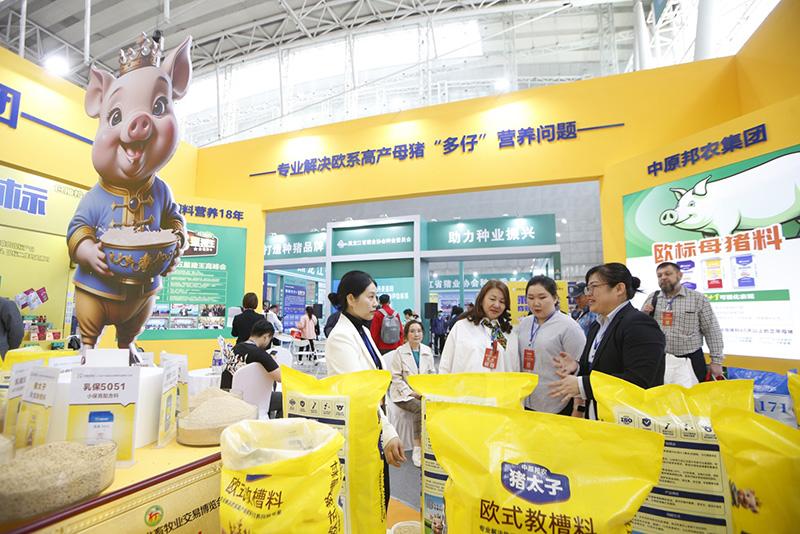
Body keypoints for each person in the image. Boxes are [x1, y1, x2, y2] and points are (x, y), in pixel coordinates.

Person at [325, 270, 406, 511]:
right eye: (370, 297)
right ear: (351, 299)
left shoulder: (363, 331)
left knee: (379, 497)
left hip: (374, 425)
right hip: (359, 430)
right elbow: (360, 393)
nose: (375, 303)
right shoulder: (341, 337)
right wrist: (388, 432)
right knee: (366, 502)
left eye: (376, 297)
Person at [549, 263, 666, 420]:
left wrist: (583, 385)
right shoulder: (597, 325)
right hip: (600, 416)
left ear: (619, 289)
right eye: (588, 288)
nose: (589, 294)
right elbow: (600, 368)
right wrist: (578, 367)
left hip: (630, 420)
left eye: (594, 287)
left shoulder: (639, 324)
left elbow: (639, 380)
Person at [507, 276, 586, 414]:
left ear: (555, 298)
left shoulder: (569, 327)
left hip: (558, 403)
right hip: (526, 401)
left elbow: (582, 369)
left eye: (542, 297)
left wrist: (579, 408)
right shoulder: (524, 324)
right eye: (530, 298)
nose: (536, 303)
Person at [642, 262, 725, 384]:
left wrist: (716, 361)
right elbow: (643, 328)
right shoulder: (653, 298)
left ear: (679, 275)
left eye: (668, 274)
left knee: (692, 394)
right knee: (662, 393)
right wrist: (644, 314)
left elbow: (711, 330)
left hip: (690, 359)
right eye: (659, 275)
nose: (663, 277)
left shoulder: (697, 298)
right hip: (661, 359)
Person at [439, 280, 515, 374]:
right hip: (465, 383)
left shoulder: (507, 333)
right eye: (492, 299)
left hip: (498, 383)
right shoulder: (462, 327)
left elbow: (513, 368)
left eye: (502, 301)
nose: (497, 305)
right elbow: (445, 365)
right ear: (481, 299)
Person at [388, 319, 435, 467]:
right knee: (419, 408)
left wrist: (426, 391)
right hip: (403, 394)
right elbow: (395, 378)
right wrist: (411, 393)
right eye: (412, 331)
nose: (416, 334)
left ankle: (432, 444)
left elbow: (432, 374)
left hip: (423, 392)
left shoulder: (427, 351)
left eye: (419, 331)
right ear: (407, 335)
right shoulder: (399, 352)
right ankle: (417, 447)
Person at [221, 319, 282, 417]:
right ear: (265, 337)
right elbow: (280, 377)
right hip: (250, 401)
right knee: (285, 399)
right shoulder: (260, 354)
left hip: (228, 398)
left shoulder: (235, 348)